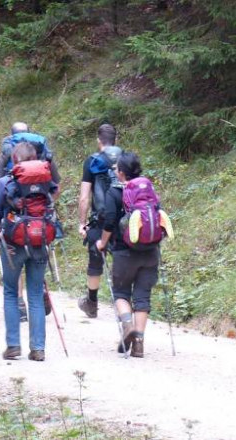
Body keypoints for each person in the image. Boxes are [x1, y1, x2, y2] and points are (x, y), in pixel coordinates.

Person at [0, 142, 57, 361]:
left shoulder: (5, 182)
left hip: (12, 244)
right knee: (36, 293)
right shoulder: (48, 182)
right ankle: (38, 349)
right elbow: (52, 203)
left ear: (15, 161)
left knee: (11, 292)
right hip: (40, 240)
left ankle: (13, 346)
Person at [95, 152, 160, 358]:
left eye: (116, 169)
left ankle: (127, 325)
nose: (115, 171)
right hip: (150, 251)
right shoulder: (147, 190)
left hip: (124, 252)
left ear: (121, 172)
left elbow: (109, 221)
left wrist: (102, 243)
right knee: (143, 296)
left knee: (121, 292)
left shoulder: (115, 192)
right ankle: (139, 343)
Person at [77, 123, 122, 318]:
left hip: (100, 219)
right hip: (125, 220)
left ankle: (92, 303)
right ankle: (124, 303)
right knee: (122, 258)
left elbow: (84, 197)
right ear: (116, 140)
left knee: (95, 261)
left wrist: (82, 222)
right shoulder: (126, 159)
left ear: (99, 141)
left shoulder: (92, 161)